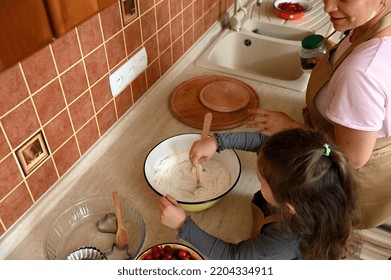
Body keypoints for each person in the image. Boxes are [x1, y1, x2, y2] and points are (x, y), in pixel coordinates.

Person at [245, 0, 391, 229]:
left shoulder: (362, 73)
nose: (328, 7)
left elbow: (351, 157)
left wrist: (289, 127)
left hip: (347, 184)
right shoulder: (376, 25)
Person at [159, 129, 360, 259]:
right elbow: (264, 143)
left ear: (288, 207)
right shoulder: (316, 176)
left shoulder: (285, 240)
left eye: (261, 180)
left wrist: (183, 225)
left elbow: (233, 259)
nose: (258, 178)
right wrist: (218, 141)